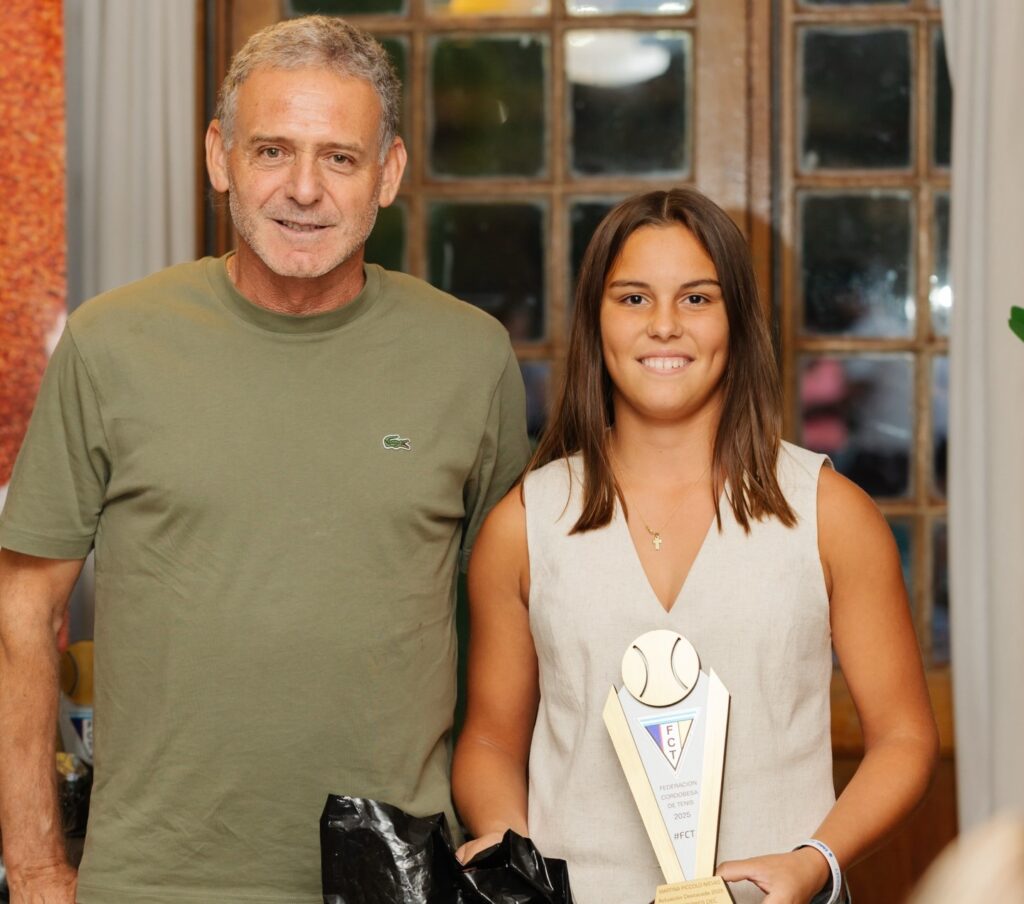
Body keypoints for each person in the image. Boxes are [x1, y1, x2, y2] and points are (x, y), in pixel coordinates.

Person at [0, 15, 529, 904]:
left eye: (340, 158)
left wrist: (502, 843)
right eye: (272, 150)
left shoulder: (470, 359)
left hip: (398, 880)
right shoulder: (109, 344)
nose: (304, 189)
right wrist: (37, 866)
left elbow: (512, 632)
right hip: (154, 883)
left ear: (388, 173)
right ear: (220, 157)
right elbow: (23, 611)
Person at [451, 188, 938, 904]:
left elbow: (905, 738)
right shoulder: (524, 524)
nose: (664, 326)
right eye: (633, 298)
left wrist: (815, 861)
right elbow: (491, 740)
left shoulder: (830, 513)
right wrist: (507, 848)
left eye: (697, 298)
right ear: (595, 319)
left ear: (737, 319)